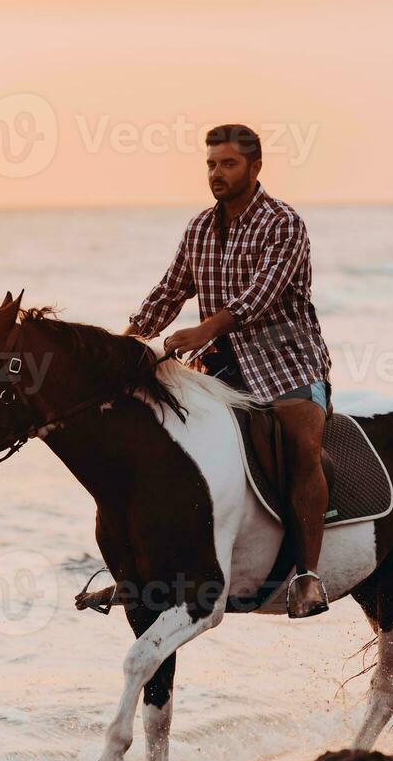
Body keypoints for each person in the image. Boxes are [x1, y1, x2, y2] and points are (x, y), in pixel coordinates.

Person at [125, 123, 333, 618]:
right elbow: (169, 291)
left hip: (286, 360)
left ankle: (306, 575)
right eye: (211, 165)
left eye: (228, 164)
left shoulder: (283, 223)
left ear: (255, 167)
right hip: (218, 368)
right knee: (160, 440)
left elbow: (261, 297)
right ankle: (152, 565)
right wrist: (127, 342)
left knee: (302, 447)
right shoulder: (199, 228)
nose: (217, 174)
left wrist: (204, 331)